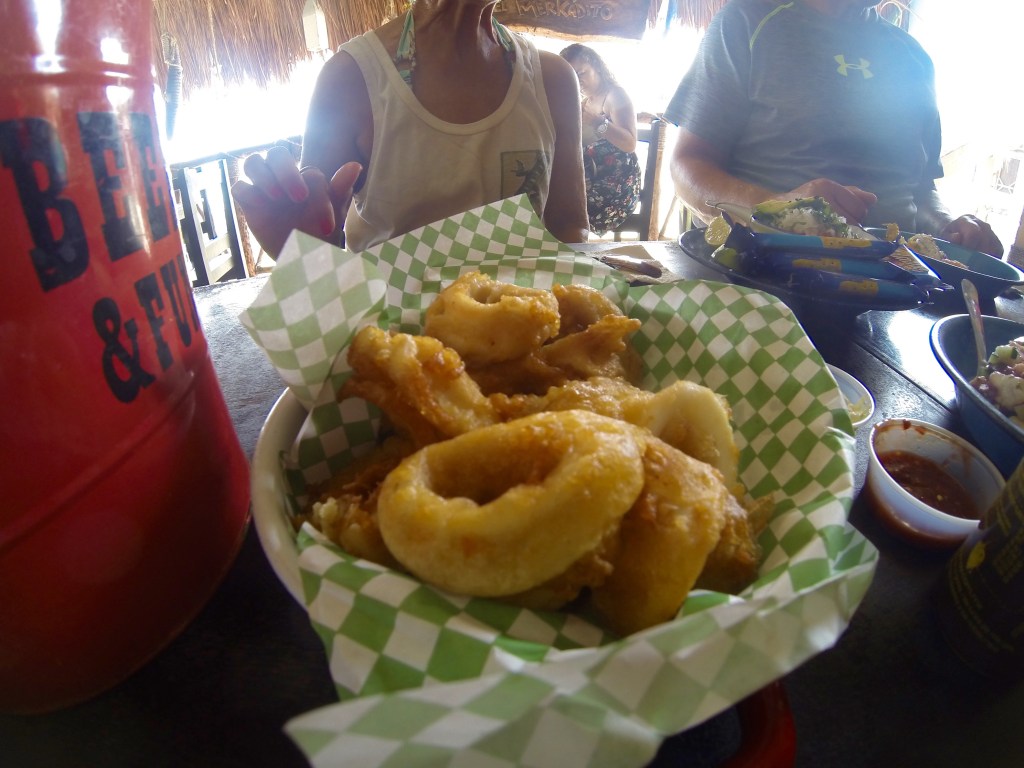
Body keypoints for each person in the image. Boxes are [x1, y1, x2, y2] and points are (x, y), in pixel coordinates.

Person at [232, 0, 589, 256]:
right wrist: (297, 252)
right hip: (393, 348)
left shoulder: (552, 78)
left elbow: (569, 229)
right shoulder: (351, 78)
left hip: (523, 342)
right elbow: (315, 244)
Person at [665, 0, 1004, 256]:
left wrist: (948, 226)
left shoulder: (914, 58)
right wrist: (779, 210)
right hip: (761, 277)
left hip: (895, 286)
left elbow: (919, 186)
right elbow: (688, 165)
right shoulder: (747, 22)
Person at [559, 44, 642, 235]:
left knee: (559, 204)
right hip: (592, 181)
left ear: (597, 67)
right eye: (572, 75)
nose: (577, 81)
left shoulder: (615, 95)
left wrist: (598, 122)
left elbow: (629, 143)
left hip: (615, 189)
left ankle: (572, 250)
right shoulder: (585, 103)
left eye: (581, 73)